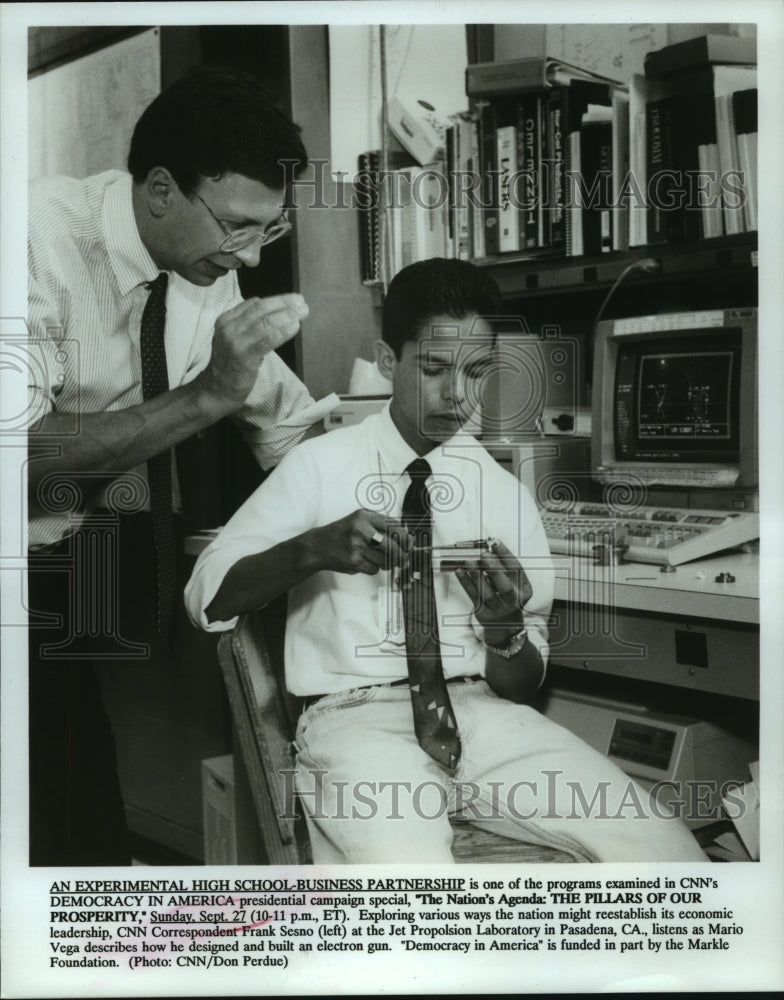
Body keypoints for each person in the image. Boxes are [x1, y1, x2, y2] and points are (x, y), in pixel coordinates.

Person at [186, 258, 706, 864]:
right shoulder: (317, 467)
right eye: (433, 368)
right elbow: (206, 595)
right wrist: (311, 549)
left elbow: (524, 680)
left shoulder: (501, 491)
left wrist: (506, 630)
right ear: (388, 362)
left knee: (669, 853)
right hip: (355, 723)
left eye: (478, 371)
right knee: (416, 891)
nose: (457, 394)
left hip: (484, 717)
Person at [26, 67, 338, 865]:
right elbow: (19, 454)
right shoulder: (31, 237)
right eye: (237, 226)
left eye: (267, 233)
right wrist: (205, 399)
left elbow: (289, 431)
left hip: (59, 562)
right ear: (161, 189)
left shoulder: (207, 272)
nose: (250, 259)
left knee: (77, 831)